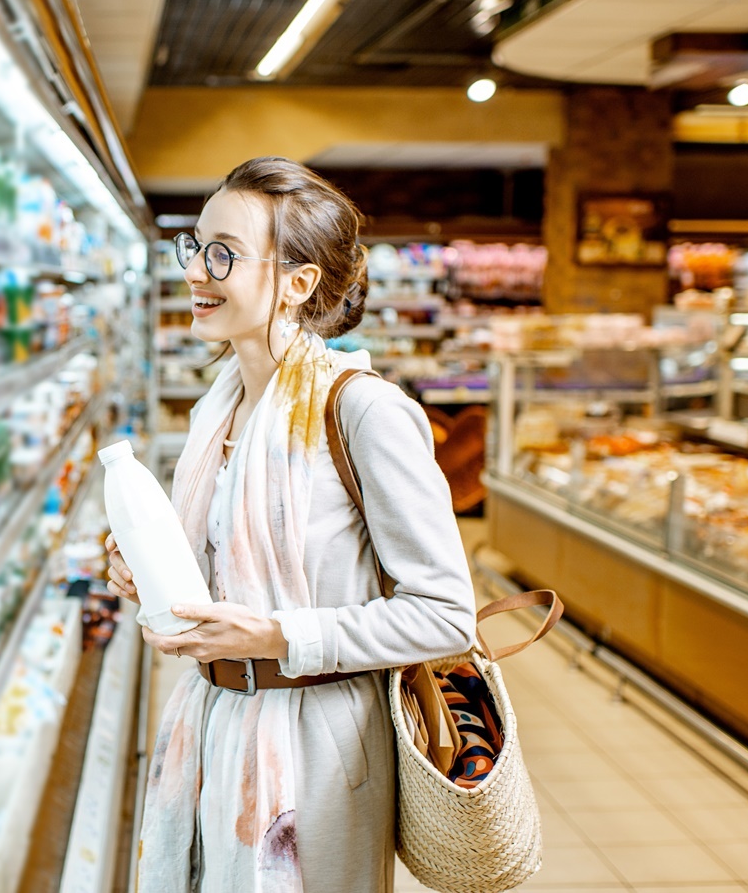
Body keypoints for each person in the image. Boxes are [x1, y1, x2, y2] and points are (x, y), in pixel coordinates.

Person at [106, 157, 478, 892]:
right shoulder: (218, 408)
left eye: (225, 254)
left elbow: (444, 616)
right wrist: (148, 570)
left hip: (317, 750)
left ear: (298, 283)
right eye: (195, 247)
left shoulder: (363, 411)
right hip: (213, 723)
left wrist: (278, 635)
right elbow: (225, 578)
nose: (197, 273)